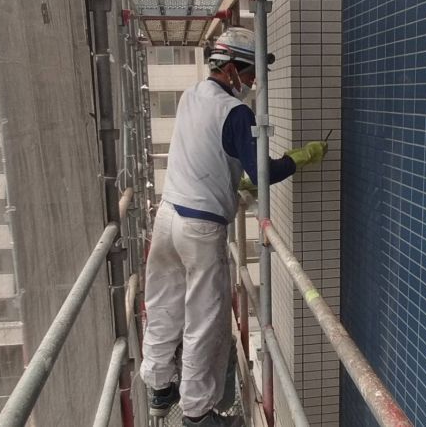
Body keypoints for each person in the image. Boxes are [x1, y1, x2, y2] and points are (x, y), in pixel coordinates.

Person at [139, 26, 328, 427]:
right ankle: (197, 413)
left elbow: (206, 152)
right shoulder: (236, 112)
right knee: (204, 322)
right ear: (232, 69)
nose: (254, 81)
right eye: (251, 72)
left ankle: (158, 384)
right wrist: (298, 158)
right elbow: (263, 172)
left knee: (163, 303)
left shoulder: (191, 95)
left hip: (168, 218)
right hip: (200, 230)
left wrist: (230, 179)